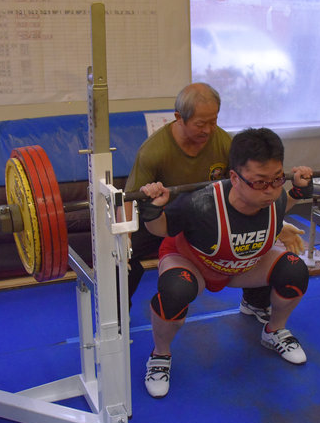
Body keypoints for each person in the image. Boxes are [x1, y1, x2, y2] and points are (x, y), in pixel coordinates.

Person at [138, 128, 313, 398]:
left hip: (240, 266)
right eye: (260, 182)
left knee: (294, 270)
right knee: (174, 292)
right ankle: (160, 355)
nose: (270, 190)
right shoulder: (200, 204)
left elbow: (283, 203)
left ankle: (274, 331)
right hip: (194, 263)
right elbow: (159, 229)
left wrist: (298, 191)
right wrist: (152, 210)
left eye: (277, 179)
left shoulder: (276, 196)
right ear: (234, 177)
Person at [125, 83, 304, 322]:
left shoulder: (223, 142)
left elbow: (248, 186)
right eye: (201, 124)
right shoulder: (153, 151)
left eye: (214, 121)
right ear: (179, 117)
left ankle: (255, 303)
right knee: (122, 260)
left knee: (256, 238)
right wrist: (124, 241)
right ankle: (118, 319)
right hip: (167, 216)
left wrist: (276, 226)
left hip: (211, 215)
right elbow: (129, 197)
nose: (209, 130)